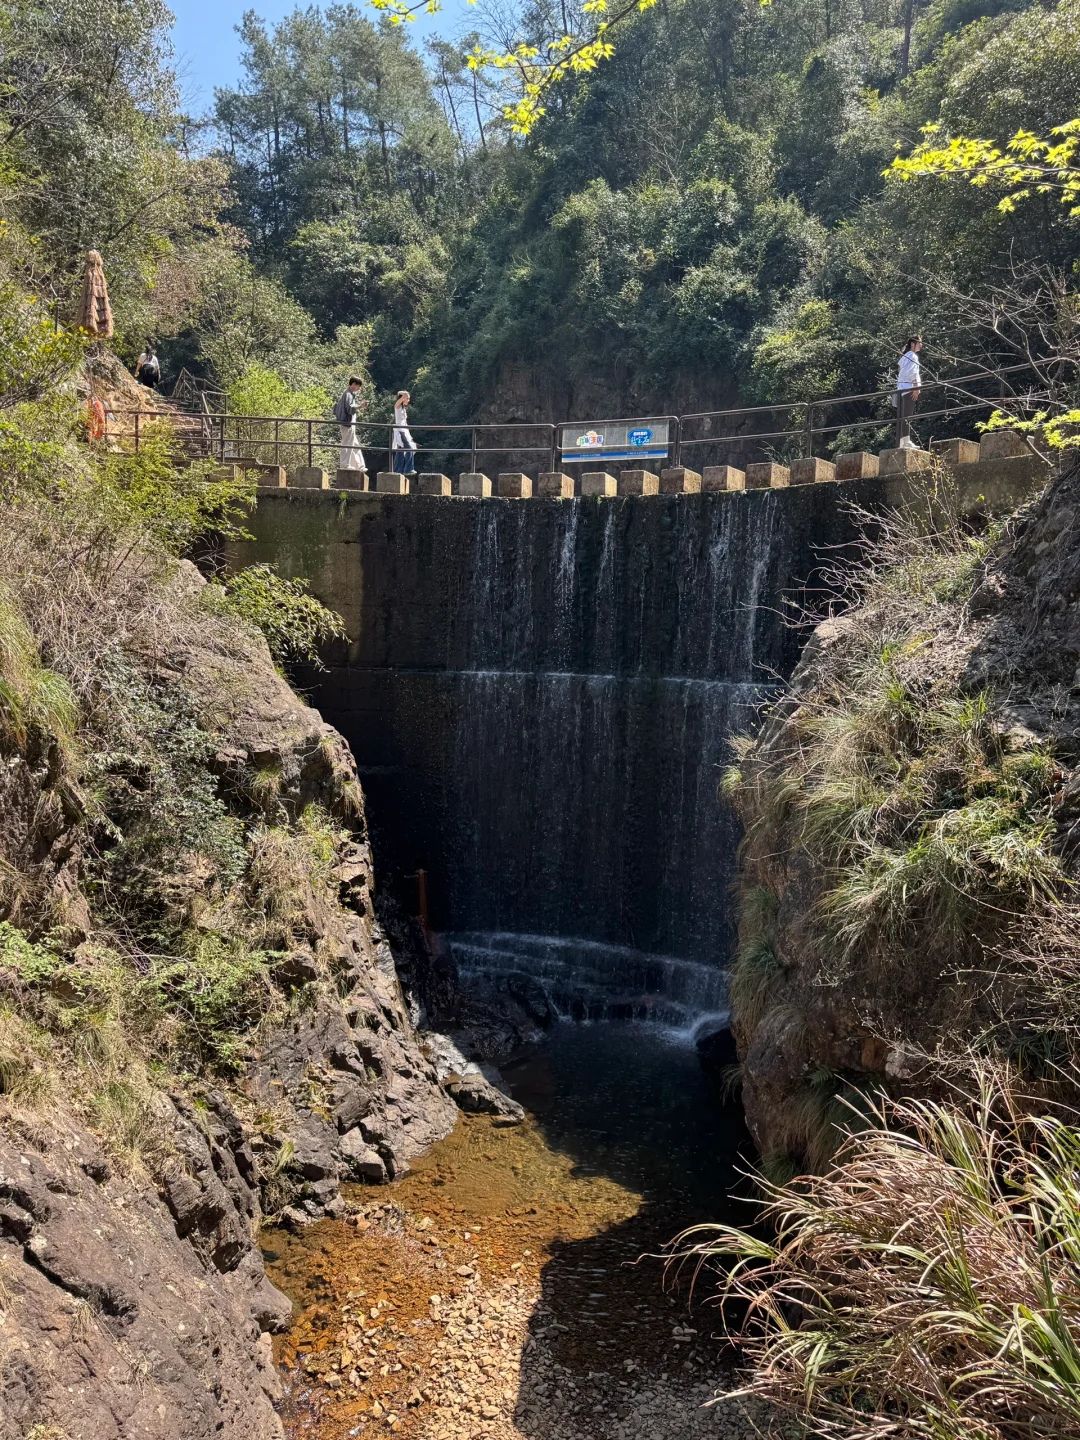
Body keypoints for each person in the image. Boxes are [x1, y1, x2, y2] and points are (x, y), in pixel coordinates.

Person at [334, 376, 368, 474]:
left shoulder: (349, 394)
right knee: (347, 443)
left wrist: (359, 407)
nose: (358, 389)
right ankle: (345, 465)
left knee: (354, 444)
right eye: (358, 386)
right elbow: (350, 408)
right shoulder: (348, 394)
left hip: (348, 423)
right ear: (353, 384)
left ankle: (359, 466)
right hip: (346, 423)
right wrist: (360, 406)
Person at [896, 334, 922, 448]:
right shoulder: (913, 356)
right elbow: (913, 372)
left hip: (901, 390)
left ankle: (901, 442)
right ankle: (906, 442)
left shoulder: (905, 356)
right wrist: (916, 387)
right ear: (913, 344)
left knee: (903, 416)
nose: (921, 345)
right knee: (907, 416)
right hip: (909, 388)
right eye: (919, 342)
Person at [392, 389, 417, 475]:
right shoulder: (398, 406)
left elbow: (405, 423)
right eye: (408, 398)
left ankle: (396, 471)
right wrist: (401, 394)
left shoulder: (403, 409)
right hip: (400, 431)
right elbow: (404, 394)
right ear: (403, 398)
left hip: (404, 431)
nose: (408, 400)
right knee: (409, 448)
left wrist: (410, 437)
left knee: (400, 451)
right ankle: (408, 469)